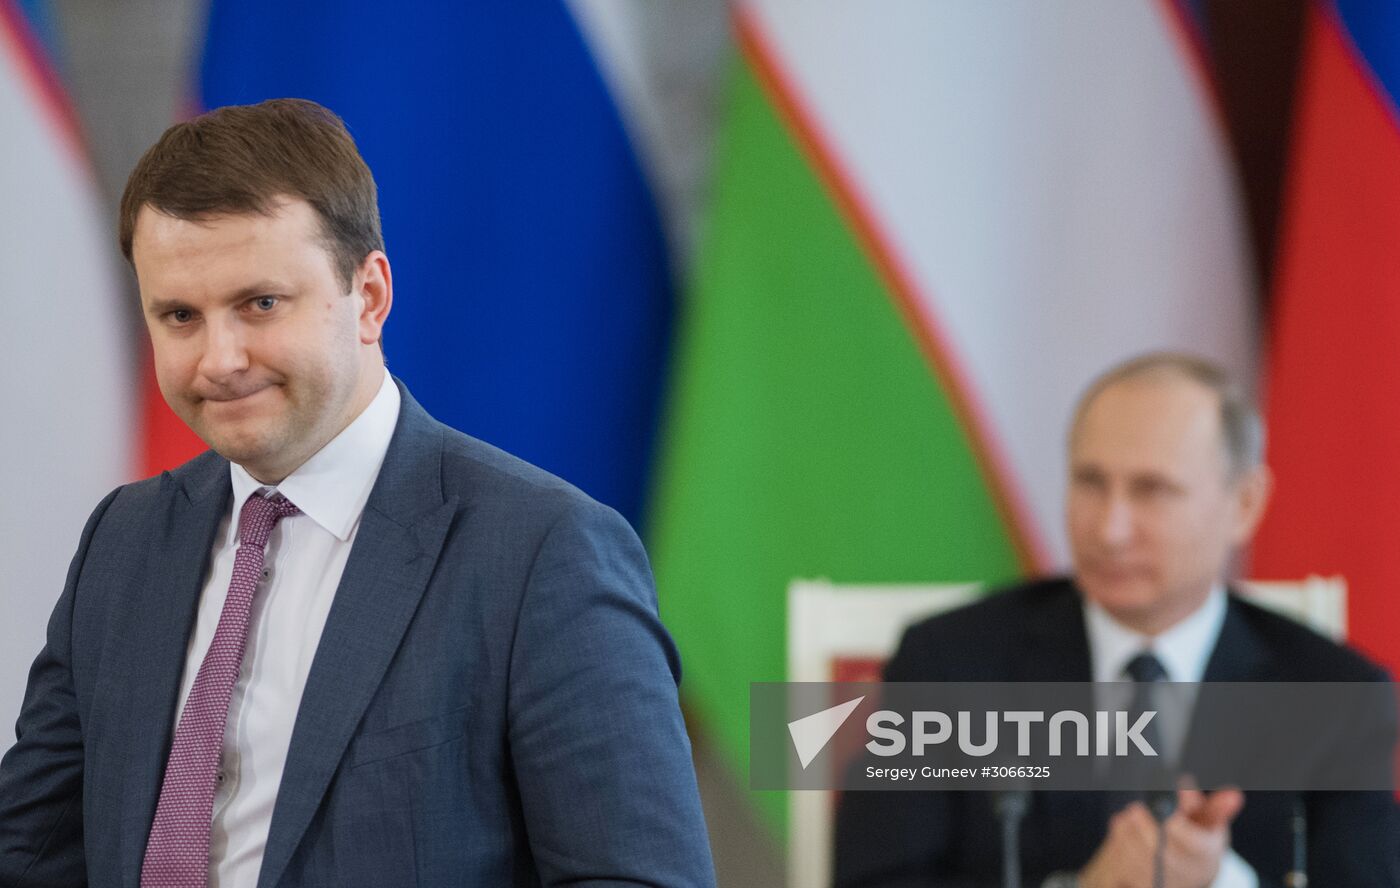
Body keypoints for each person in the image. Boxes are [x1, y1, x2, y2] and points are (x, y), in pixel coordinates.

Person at [0, 98, 715, 888]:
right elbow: (30, 850)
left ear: (369, 296)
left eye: (260, 304)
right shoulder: (125, 537)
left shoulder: (543, 553)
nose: (220, 359)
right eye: (179, 316)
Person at [833, 353, 1397, 887]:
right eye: (1090, 482)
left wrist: (1217, 879)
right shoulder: (949, 664)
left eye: (1153, 490)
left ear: (1244, 505)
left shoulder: (1338, 694)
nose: (1109, 529)